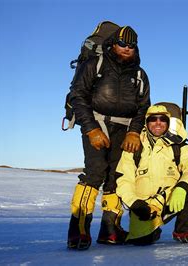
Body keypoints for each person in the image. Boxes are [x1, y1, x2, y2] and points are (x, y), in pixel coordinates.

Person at [67, 25, 151, 250]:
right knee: (95, 173)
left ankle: (110, 230)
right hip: (97, 123)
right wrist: (91, 129)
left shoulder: (140, 75)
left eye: (131, 46)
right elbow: (78, 95)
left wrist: (134, 131)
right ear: (113, 44)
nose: (126, 48)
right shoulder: (95, 64)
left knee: (117, 175)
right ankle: (79, 231)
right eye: (122, 44)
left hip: (125, 130)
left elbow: (143, 107)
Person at [115, 104, 188, 245]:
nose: (158, 123)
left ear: (168, 122)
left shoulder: (179, 145)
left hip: (170, 198)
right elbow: (124, 179)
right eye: (153, 119)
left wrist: (181, 188)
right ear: (146, 123)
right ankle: (151, 230)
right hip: (144, 207)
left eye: (163, 119)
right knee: (142, 241)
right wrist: (135, 204)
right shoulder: (134, 146)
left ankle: (183, 230)